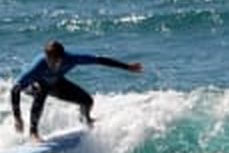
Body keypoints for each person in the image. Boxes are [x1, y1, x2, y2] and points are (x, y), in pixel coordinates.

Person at [10, 40, 143, 142]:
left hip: (55, 82)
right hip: (31, 85)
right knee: (41, 90)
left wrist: (127, 67)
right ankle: (33, 132)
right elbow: (15, 90)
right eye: (50, 61)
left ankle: (86, 119)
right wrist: (17, 117)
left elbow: (99, 60)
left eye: (56, 61)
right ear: (46, 57)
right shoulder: (38, 66)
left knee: (87, 101)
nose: (53, 64)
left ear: (62, 57)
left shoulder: (72, 58)